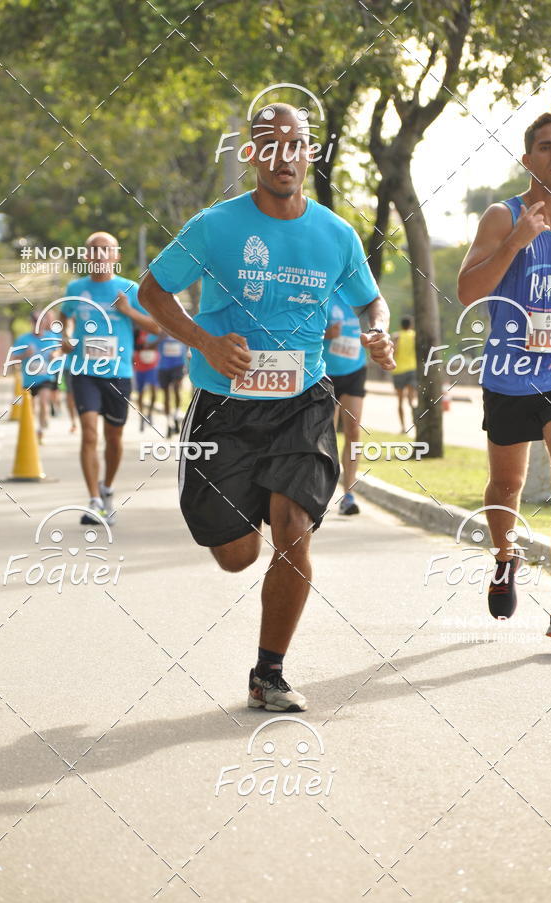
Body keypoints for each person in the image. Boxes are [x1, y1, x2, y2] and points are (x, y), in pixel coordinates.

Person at [139, 102, 395, 711]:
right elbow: (152, 289)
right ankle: (244, 507)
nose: (286, 156)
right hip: (224, 407)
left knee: (293, 531)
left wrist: (378, 331)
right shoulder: (214, 226)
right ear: (253, 154)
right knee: (236, 556)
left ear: (311, 153)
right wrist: (204, 340)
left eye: (297, 143)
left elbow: (371, 303)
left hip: (302, 402)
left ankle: (268, 673)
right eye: (271, 144)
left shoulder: (336, 233)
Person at [458, 109, 551, 639]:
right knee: (506, 485)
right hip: (509, 372)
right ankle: (505, 559)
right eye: (547, 147)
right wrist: (516, 242)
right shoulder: (501, 217)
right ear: (527, 158)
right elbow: (467, 293)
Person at [59, 232, 160, 525]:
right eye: (95, 251)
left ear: (116, 256)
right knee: (89, 432)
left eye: (107, 250)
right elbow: (64, 315)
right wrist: (64, 334)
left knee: (113, 438)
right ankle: (92, 501)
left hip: (118, 373)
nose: (101, 255)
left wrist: (128, 311)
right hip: (84, 371)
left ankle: (107, 489)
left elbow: (156, 326)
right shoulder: (76, 288)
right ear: (87, 257)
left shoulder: (129, 288)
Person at [323, 296, 368, 515]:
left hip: (354, 370)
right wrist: (326, 334)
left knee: (353, 431)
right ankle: (321, 492)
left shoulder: (360, 296)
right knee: (325, 434)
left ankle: (348, 494)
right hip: (325, 372)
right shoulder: (324, 291)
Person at [11, 312, 56, 444]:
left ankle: (41, 431)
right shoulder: (23, 339)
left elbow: (59, 353)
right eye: (35, 321)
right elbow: (13, 358)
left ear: (44, 323)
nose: (38, 324)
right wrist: (25, 354)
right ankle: (32, 430)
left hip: (46, 378)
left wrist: (55, 355)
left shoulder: (51, 338)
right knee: (32, 408)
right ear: (32, 323)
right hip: (29, 381)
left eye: (41, 321)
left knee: (43, 402)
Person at [157, 333, 188, 436]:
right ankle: (169, 423)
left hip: (178, 366)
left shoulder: (181, 329)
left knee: (176, 389)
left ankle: (176, 415)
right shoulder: (159, 329)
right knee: (166, 396)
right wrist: (160, 337)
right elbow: (148, 346)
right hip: (163, 367)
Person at [391, 315, 417, 433]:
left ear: (401, 325)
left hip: (398, 371)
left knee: (400, 401)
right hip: (412, 369)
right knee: (411, 400)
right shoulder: (414, 336)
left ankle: (403, 427)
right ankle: (416, 423)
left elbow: (393, 353)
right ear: (411, 325)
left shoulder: (397, 336)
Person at [133, 330, 160, 431]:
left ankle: (150, 413)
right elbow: (134, 346)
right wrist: (144, 346)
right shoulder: (137, 332)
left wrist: (151, 344)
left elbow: (158, 344)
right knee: (141, 393)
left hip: (152, 366)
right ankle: (142, 417)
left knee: (154, 392)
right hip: (140, 367)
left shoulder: (155, 332)